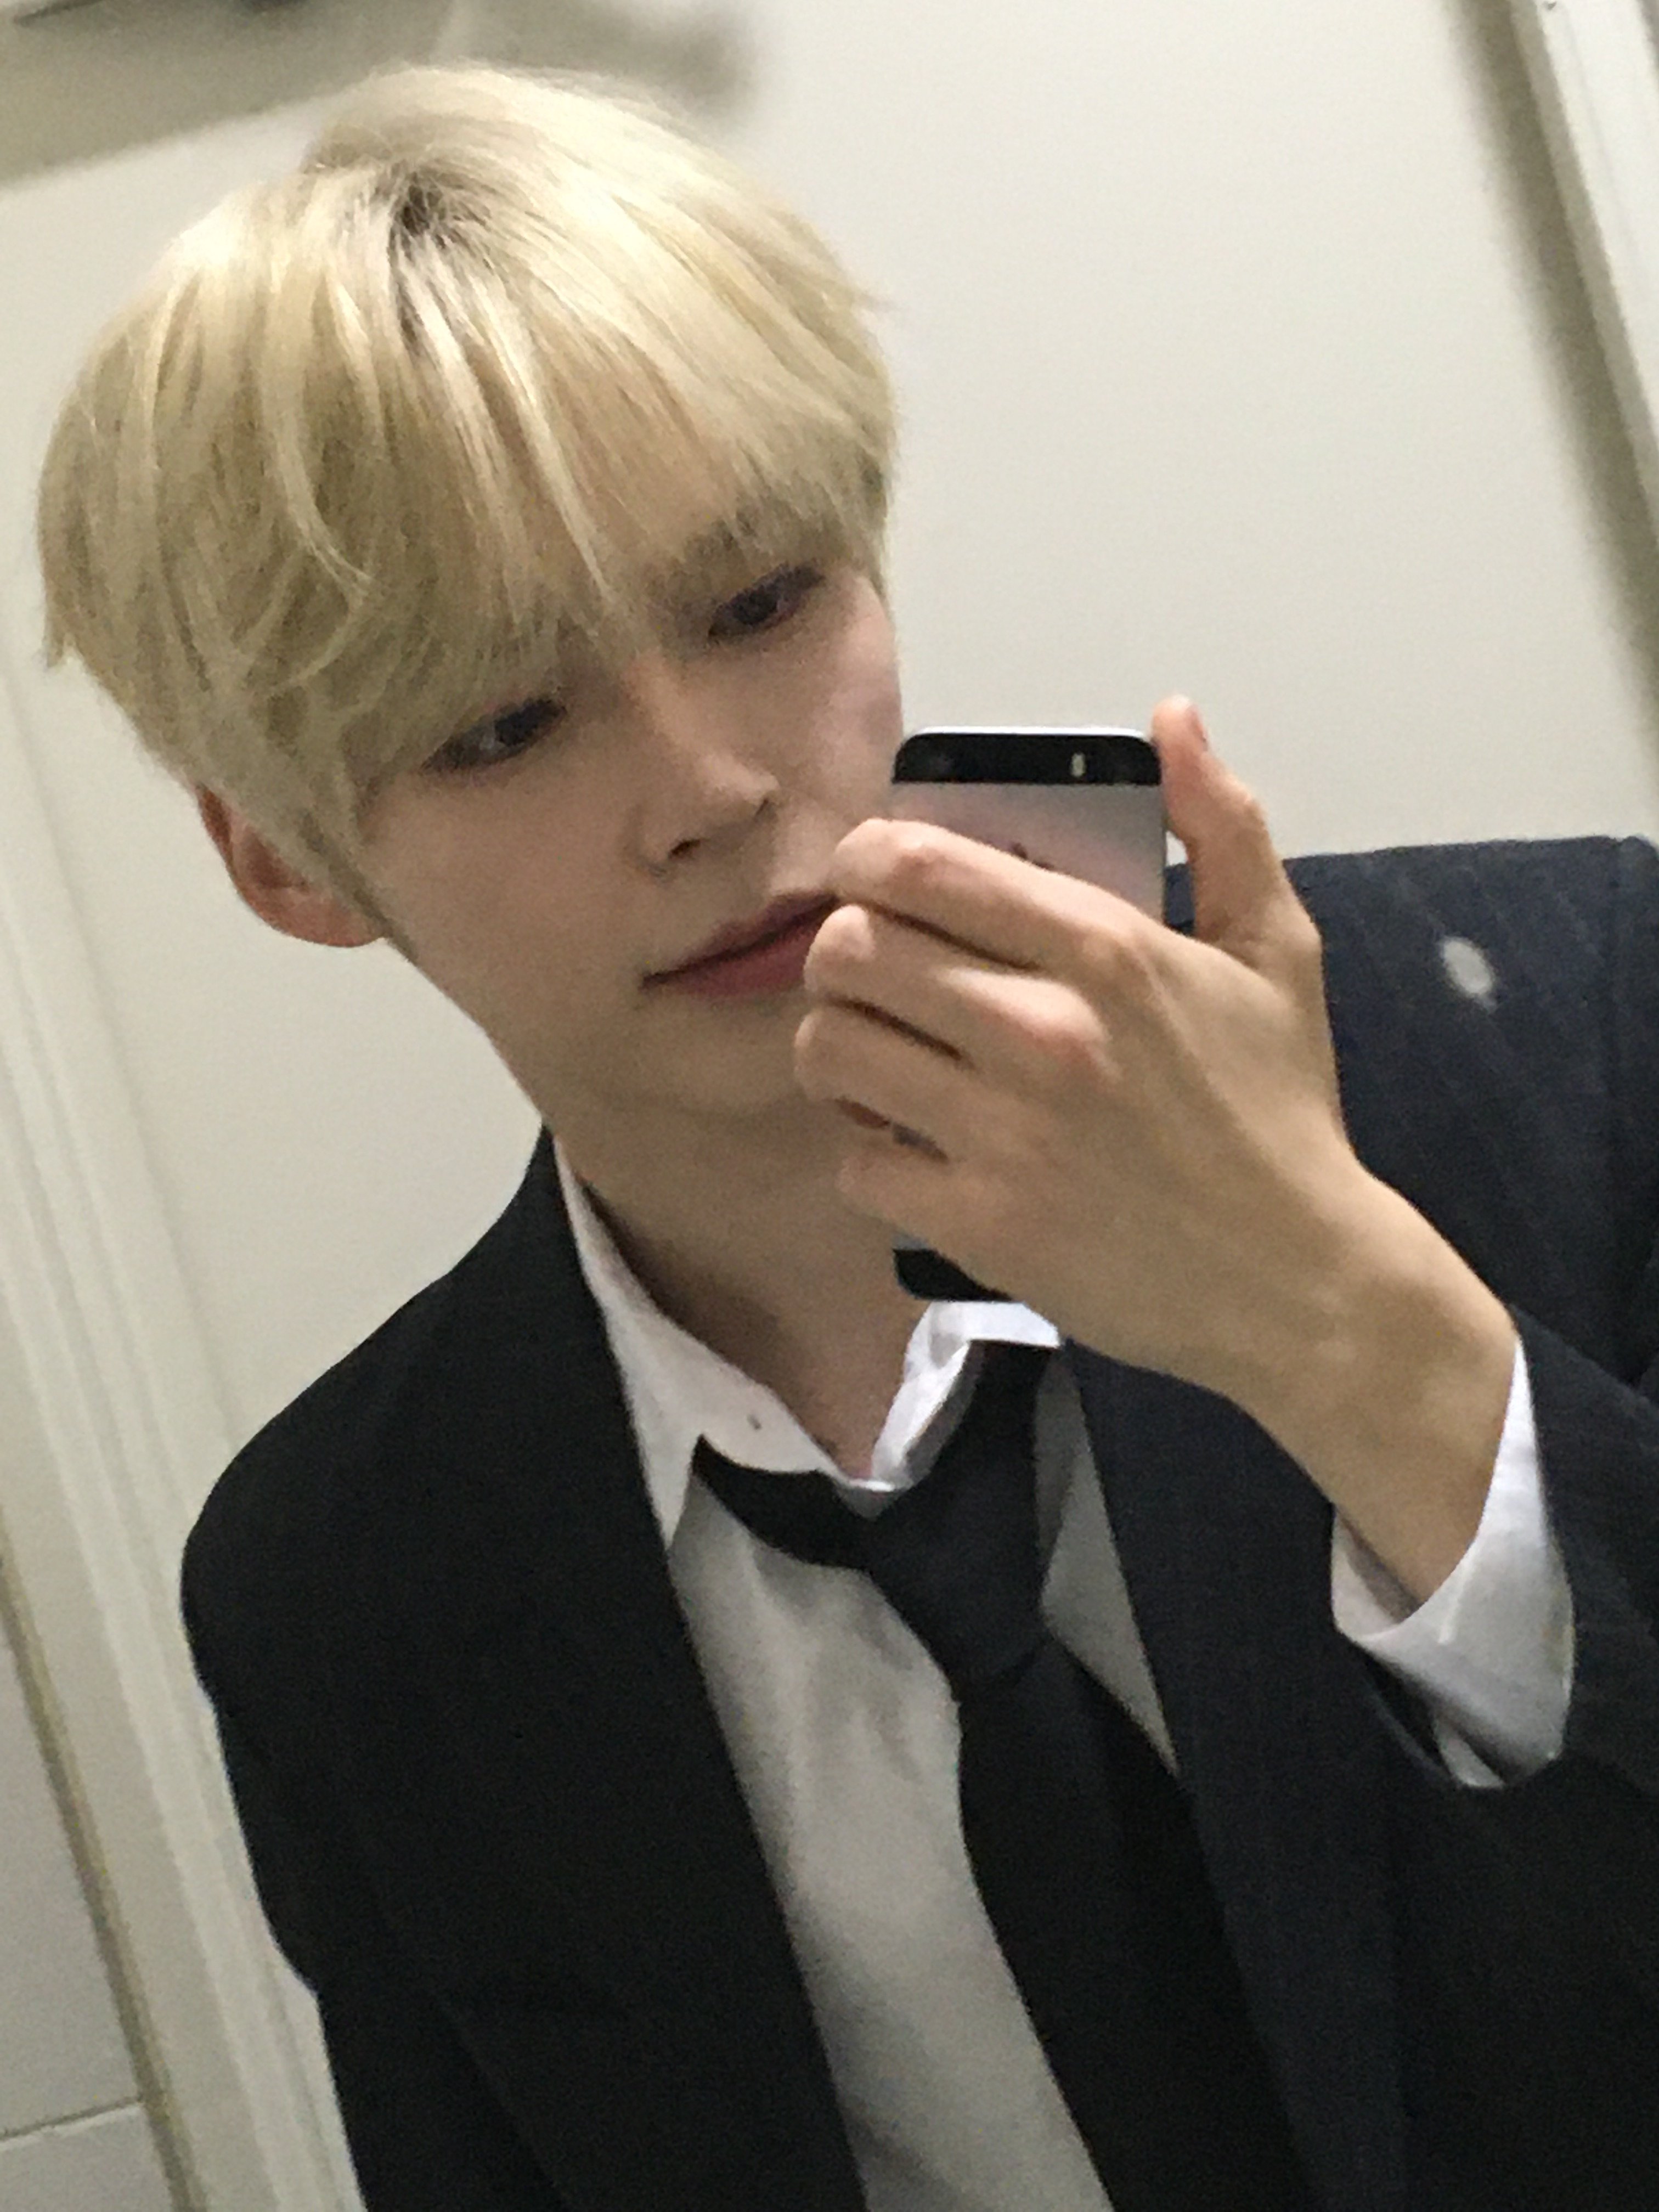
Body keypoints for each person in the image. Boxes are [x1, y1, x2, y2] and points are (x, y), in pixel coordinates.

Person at [35, 61, 1659, 2212]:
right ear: (287, 861)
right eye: (501, 721)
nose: (707, 782)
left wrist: (1350, 1336)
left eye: (758, 602)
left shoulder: (1568, 1019)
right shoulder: (351, 1588)